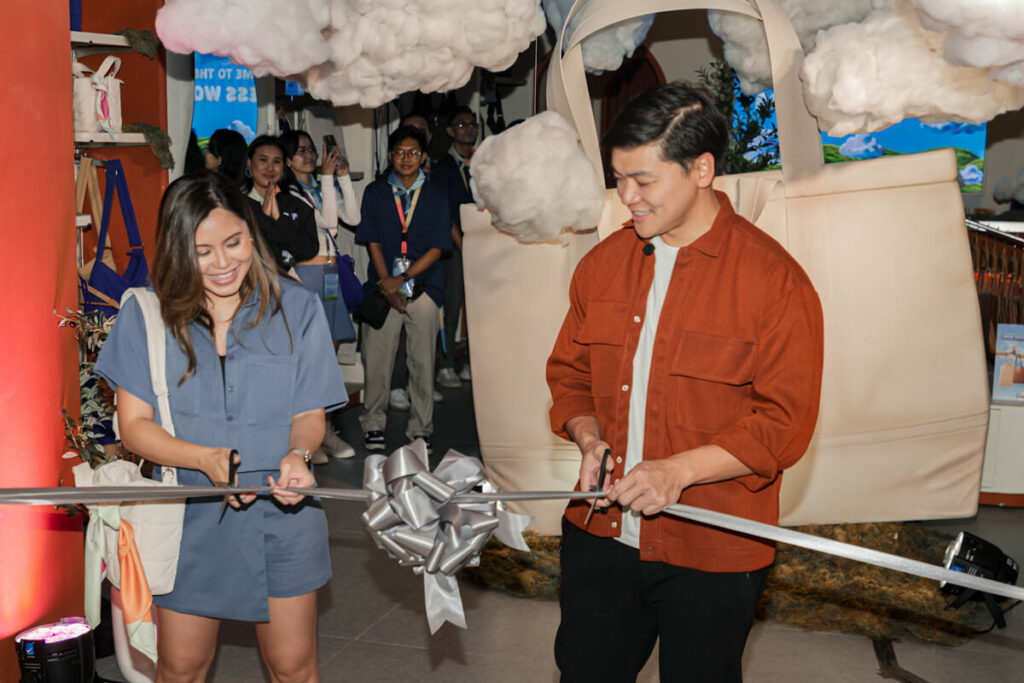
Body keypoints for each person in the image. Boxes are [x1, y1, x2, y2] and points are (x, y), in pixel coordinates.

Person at [546, 82, 824, 682]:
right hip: (601, 533)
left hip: (713, 546)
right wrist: (589, 438)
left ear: (702, 169)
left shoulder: (774, 282)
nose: (626, 198)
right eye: (618, 179)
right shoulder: (601, 266)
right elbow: (568, 375)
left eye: (643, 181)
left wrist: (679, 471)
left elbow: (783, 425)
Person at [95, 170, 347, 682]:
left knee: (294, 667)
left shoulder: (295, 309)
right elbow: (134, 426)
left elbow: (308, 413)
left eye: (233, 243)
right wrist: (203, 460)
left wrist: (299, 455)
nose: (222, 263)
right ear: (176, 249)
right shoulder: (147, 317)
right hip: (189, 515)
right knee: (182, 667)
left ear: (251, 235)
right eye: (202, 251)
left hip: (283, 512)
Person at [355, 125, 452, 454]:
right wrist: (387, 284)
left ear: (423, 157)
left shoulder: (436, 193)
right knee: (377, 360)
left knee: (422, 362)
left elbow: (439, 247)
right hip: (384, 288)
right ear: (391, 156)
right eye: (399, 152)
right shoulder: (375, 192)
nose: (406, 158)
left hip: (424, 287)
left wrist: (404, 278)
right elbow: (372, 240)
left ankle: (421, 429)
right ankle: (373, 423)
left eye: (413, 152)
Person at [279, 129, 362, 460]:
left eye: (311, 149)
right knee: (306, 361)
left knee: (328, 360)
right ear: (287, 160)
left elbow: (352, 218)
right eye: (300, 151)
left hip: (329, 277)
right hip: (305, 277)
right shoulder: (288, 194)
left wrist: (342, 178)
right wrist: (327, 180)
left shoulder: (317, 186)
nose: (310, 155)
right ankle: (302, 433)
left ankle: (324, 430)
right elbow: (328, 221)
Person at [432, 105, 477, 389]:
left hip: (482, 246)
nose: (469, 129)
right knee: (452, 306)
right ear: (450, 131)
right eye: (461, 124)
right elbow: (444, 215)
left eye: (472, 124)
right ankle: (446, 365)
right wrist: (465, 246)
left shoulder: (482, 163)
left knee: (479, 308)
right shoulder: (443, 167)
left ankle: (474, 362)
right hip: (456, 248)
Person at [243, 135, 318, 272]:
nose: (270, 168)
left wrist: (279, 219)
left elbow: (309, 250)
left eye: (277, 162)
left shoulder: (295, 205)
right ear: (249, 162)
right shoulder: (235, 204)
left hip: (283, 284)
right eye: (263, 160)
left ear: (283, 166)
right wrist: (264, 218)